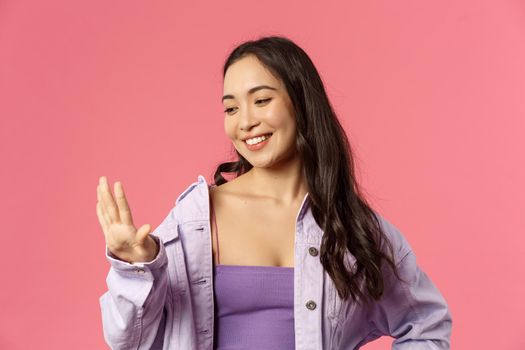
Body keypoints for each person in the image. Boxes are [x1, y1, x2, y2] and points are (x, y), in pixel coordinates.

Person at [97, 35, 452, 350]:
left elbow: (427, 326)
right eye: (231, 108)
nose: (245, 121)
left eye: (262, 100)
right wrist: (136, 268)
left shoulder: (351, 226)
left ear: (301, 102)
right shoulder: (197, 218)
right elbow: (127, 340)